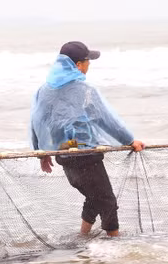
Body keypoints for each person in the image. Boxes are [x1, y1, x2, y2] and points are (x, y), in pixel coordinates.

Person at [31, 41, 144, 237]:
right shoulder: (84, 90)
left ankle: (82, 237)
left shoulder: (44, 89)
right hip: (85, 156)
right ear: (77, 65)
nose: (89, 64)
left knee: (93, 197)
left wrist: (42, 152)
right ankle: (114, 247)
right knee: (107, 201)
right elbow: (106, 120)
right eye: (87, 60)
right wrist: (130, 140)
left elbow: (37, 121)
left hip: (63, 154)